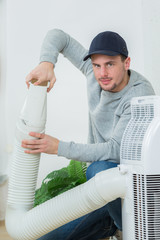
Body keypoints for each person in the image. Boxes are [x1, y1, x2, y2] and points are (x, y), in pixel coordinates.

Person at [22, 29, 155, 240]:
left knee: (99, 169)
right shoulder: (95, 74)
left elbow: (115, 150)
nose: (102, 73)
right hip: (102, 190)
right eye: (96, 65)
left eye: (110, 64)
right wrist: (46, 63)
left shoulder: (139, 93)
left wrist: (59, 147)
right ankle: (108, 223)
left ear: (126, 63)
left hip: (128, 188)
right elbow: (59, 36)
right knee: (45, 238)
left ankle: (123, 227)